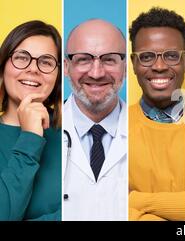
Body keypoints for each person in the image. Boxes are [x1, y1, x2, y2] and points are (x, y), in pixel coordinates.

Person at [128, 7, 185, 221]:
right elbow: (106, 204)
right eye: (147, 57)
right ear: (133, 63)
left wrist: (134, 200)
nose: (159, 66)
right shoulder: (112, 126)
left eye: (171, 56)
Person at [63, 19, 127, 220]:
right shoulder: (41, 131)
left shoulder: (154, 134)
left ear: (125, 67)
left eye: (109, 59)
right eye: (84, 59)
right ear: (66, 66)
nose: (97, 73)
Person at [0, 20, 61, 220]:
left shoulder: (78, 127)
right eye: (21, 57)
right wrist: (30, 137)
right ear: (3, 66)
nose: (33, 69)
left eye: (46, 61)